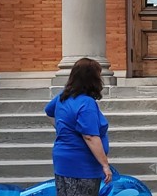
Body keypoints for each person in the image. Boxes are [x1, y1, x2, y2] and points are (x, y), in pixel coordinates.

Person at [45, 57, 112, 196]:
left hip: (62, 160)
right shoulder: (86, 103)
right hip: (82, 165)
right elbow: (90, 136)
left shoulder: (63, 97)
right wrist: (105, 165)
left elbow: (49, 112)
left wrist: (63, 129)